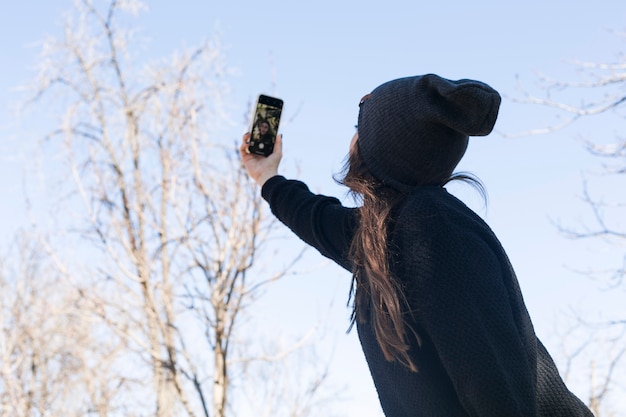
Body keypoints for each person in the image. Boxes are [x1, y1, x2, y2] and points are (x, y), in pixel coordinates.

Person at [240, 74, 594, 417]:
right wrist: (266, 175)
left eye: (357, 129)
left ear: (384, 149)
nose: (351, 139)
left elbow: (495, 386)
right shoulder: (382, 235)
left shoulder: (435, 229)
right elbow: (315, 218)